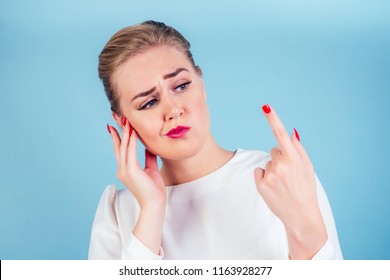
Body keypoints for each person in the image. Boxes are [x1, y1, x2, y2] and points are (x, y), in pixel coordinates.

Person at [88, 20, 343, 260]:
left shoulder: (283, 178)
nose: (174, 110)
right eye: (149, 102)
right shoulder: (118, 213)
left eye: (181, 86)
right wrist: (152, 211)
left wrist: (305, 234)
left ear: (201, 81)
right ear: (123, 121)